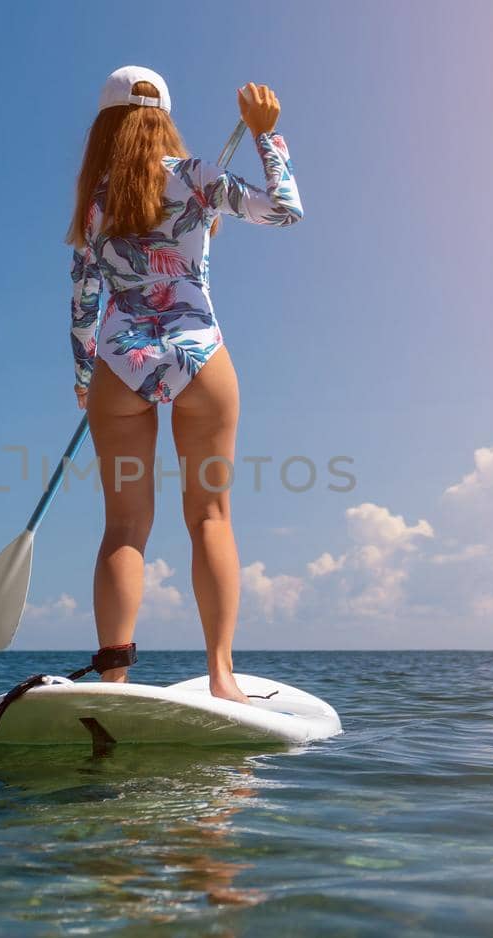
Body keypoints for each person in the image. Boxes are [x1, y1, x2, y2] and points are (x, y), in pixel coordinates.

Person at [66, 65, 302, 703]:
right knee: (210, 517)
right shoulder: (195, 175)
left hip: (121, 363)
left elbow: (84, 302)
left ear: (105, 126)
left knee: (123, 529)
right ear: (164, 118)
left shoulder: (96, 204)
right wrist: (265, 136)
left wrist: (87, 379)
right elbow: (284, 212)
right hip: (201, 355)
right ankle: (222, 676)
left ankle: (114, 680)